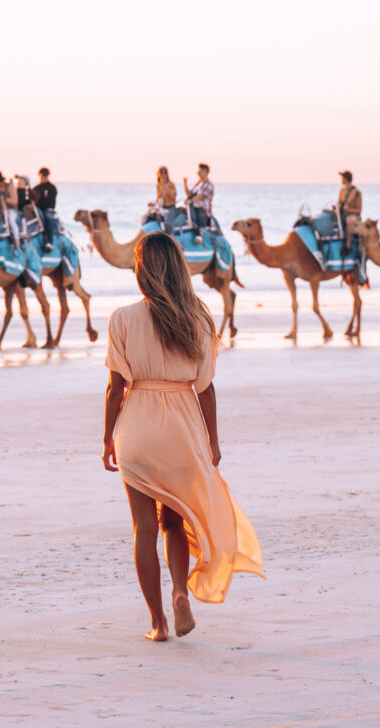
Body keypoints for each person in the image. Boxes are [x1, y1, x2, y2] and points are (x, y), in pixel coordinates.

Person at [102, 232, 264, 642]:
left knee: (143, 529)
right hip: (181, 429)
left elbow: (114, 387)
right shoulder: (198, 317)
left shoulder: (122, 317)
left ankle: (157, 623)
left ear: (141, 271)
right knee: (173, 520)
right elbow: (205, 388)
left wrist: (107, 439)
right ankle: (179, 592)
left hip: (136, 429)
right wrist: (213, 443)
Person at [183, 163, 214, 243]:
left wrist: (191, 201)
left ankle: (200, 235)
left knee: (200, 217)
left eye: (200, 171)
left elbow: (201, 195)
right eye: (198, 170)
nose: (198, 172)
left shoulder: (209, 185)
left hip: (203, 209)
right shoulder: (198, 184)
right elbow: (190, 194)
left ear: (206, 171)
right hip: (193, 208)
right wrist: (185, 184)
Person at [0, 171, 20, 249]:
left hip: (11, 209)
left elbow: (15, 202)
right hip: (1, 210)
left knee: (11, 220)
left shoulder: (10, 187)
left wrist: (5, 200)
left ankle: (17, 240)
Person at [31, 167, 58, 252]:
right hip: (36, 209)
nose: (43, 178)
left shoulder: (52, 188)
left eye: (45, 176)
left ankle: (49, 242)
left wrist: (39, 204)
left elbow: (51, 202)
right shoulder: (36, 188)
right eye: (42, 176)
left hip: (47, 209)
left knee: (48, 218)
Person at [336, 170, 362, 251]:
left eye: (342, 178)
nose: (341, 179)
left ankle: (348, 245)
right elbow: (339, 203)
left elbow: (359, 211)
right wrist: (336, 208)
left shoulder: (357, 193)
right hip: (342, 214)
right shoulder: (342, 191)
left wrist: (349, 210)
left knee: (349, 220)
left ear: (346, 179)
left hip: (353, 217)